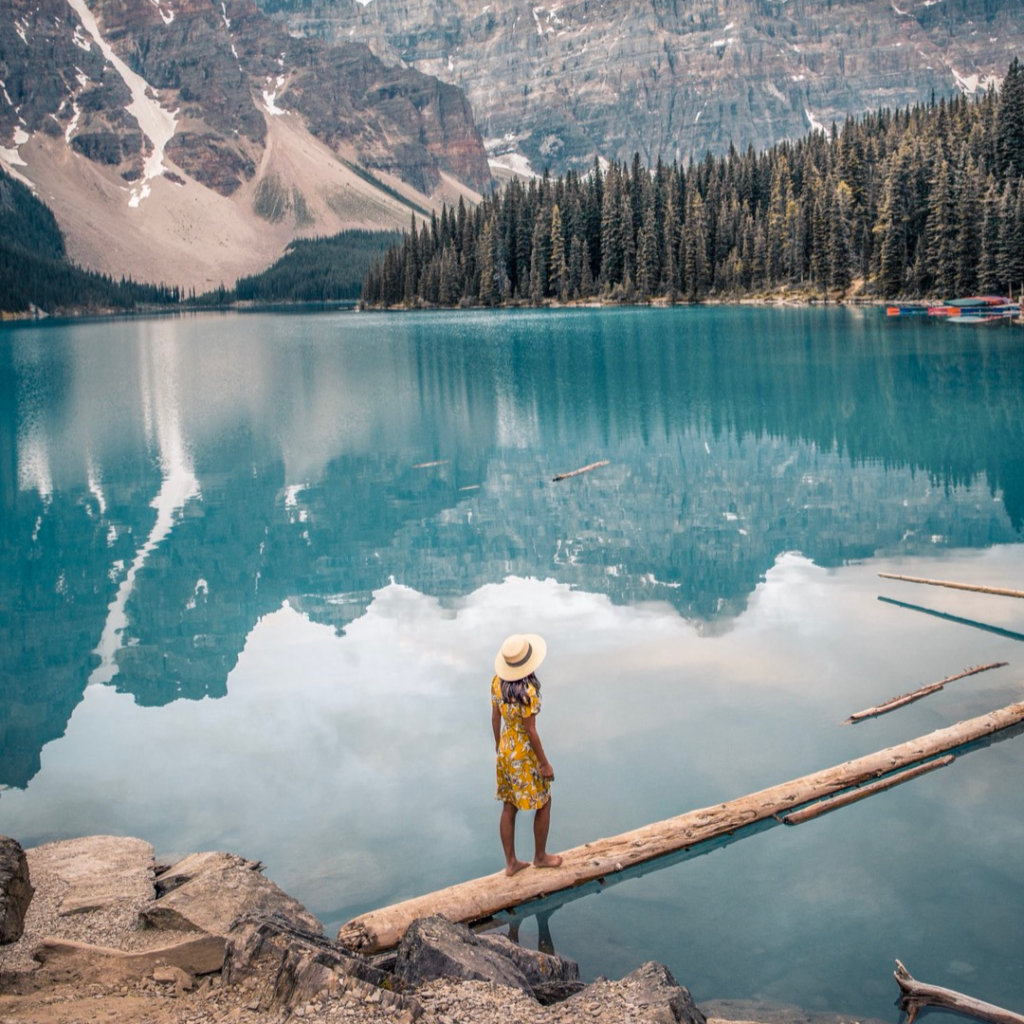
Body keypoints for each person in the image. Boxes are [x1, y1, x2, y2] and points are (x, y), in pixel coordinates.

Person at [491, 633, 563, 876]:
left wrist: (498, 746)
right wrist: (544, 763)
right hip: (523, 751)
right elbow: (531, 731)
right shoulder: (527, 691)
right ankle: (540, 856)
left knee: (509, 806)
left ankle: (511, 863)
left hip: (505, 748)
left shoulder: (496, 683)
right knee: (544, 800)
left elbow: (495, 717)